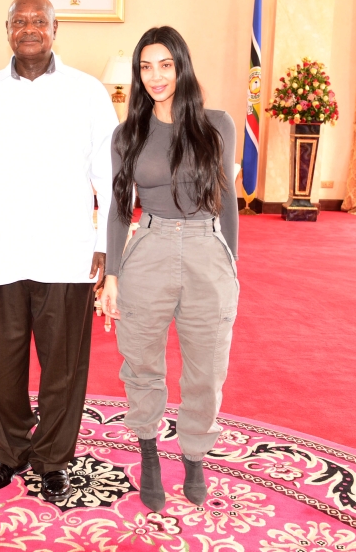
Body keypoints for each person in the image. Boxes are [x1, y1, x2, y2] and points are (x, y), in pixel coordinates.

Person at [0, 0, 116, 503]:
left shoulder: (87, 93)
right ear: (6, 30)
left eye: (39, 21)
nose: (30, 29)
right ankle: (11, 451)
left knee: (63, 369)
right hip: (0, 251)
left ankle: (51, 459)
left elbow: (110, 174)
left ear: (54, 29)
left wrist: (103, 240)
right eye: (19, 21)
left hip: (66, 253)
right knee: (0, 372)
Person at [99, 26, 239, 512]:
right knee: (141, 364)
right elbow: (120, 209)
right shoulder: (128, 133)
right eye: (146, 66)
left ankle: (196, 455)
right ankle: (148, 451)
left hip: (206, 248)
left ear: (181, 66)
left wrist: (230, 267)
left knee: (207, 370)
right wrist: (111, 277)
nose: (155, 76)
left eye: (165, 65)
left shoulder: (218, 124)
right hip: (150, 248)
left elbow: (227, 203)